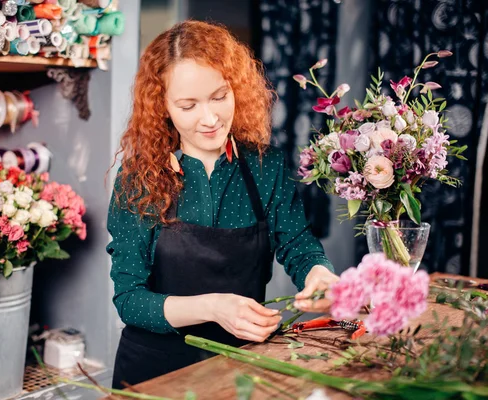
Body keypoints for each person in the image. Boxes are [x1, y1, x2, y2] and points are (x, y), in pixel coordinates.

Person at [106, 20, 339, 389]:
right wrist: (212, 308)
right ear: (162, 106)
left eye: (219, 96)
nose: (211, 118)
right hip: (153, 373)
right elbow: (130, 298)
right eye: (188, 105)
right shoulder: (139, 178)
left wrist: (319, 275)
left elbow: (298, 245)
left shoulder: (267, 167)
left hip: (241, 368)